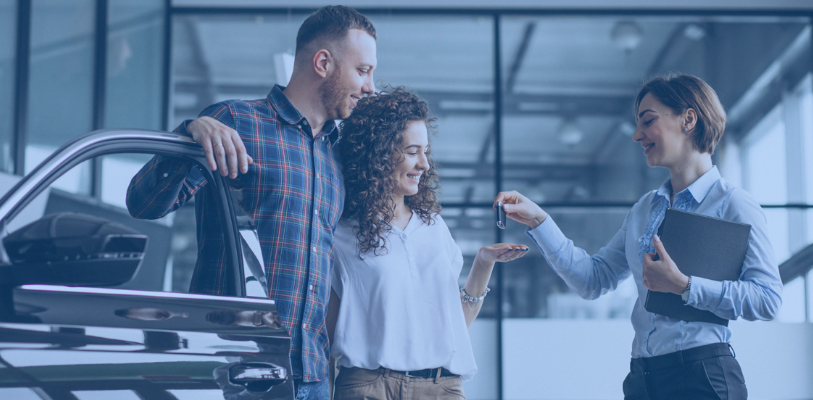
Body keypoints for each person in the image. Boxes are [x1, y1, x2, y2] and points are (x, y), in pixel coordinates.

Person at [125, 6, 377, 399]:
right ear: (324, 63)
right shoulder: (235, 122)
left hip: (311, 376)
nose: (371, 86)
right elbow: (144, 204)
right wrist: (187, 134)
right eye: (363, 71)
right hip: (238, 370)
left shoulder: (337, 155)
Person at [495, 74, 782, 400]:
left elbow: (768, 299)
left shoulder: (734, 204)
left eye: (648, 121)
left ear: (688, 119)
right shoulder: (645, 208)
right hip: (643, 377)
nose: (636, 135)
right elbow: (593, 279)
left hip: (703, 375)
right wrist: (539, 220)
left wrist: (685, 286)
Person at [326, 88, 528, 400]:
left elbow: (453, 328)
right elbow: (325, 338)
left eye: (426, 152)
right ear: (377, 155)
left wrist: (483, 263)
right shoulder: (341, 234)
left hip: (441, 388)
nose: (424, 164)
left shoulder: (434, 228)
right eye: (411, 151)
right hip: (369, 389)